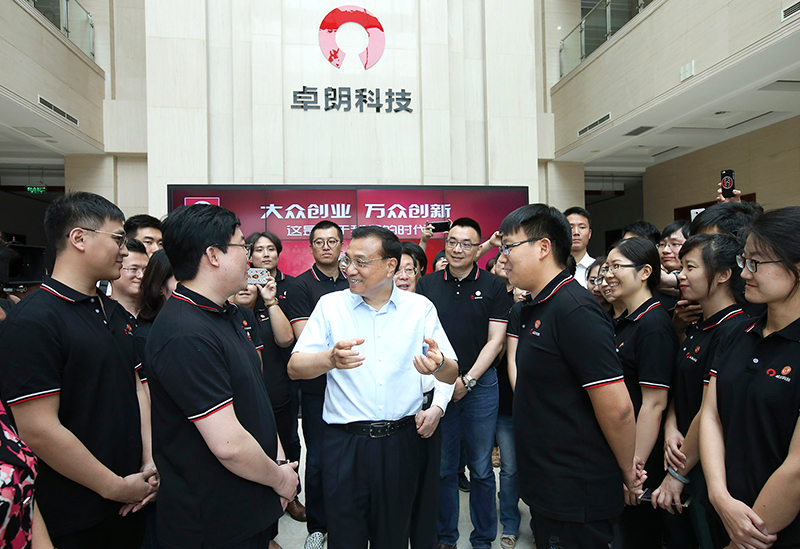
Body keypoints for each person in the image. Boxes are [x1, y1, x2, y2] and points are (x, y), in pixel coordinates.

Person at [0, 192, 157, 548]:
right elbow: (38, 429)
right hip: (76, 514)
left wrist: (149, 463)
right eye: (117, 239)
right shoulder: (34, 321)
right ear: (79, 238)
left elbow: (136, 387)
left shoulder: (113, 312)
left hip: (133, 498)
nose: (124, 251)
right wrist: (115, 487)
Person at [288, 225, 458, 549]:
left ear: (390, 265)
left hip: (400, 443)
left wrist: (438, 365)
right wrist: (329, 359)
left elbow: (451, 373)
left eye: (361, 262)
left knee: (393, 537)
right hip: (345, 444)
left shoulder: (419, 308)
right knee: (345, 538)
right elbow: (295, 367)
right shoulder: (330, 306)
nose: (350, 270)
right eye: (348, 260)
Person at [145, 204, 298, 549]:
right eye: (243, 246)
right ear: (213, 255)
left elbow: (255, 400)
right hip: (214, 521)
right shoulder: (185, 333)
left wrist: (278, 464)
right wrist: (280, 480)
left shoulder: (227, 314)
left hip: (248, 502)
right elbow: (228, 446)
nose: (250, 257)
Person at [497, 204, 642, 548]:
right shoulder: (535, 306)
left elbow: (617, 407)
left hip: (576, 491)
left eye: (509, 247)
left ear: (543, 247)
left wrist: (627, 470)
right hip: (547, 484)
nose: (503, 258)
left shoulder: (575, 310)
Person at [700, 207, 800, 548]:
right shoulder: (736, 333)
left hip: (770, 531)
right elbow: (711, 415)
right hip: (724, 514)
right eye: (744, 260)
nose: (744, 273)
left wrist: (742, 539)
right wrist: (719, 496)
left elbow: (796, 469)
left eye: (756, 263)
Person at [650, 234, 749, 549]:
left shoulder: (736, 330)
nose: (680, 275)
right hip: (681, 453)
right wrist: (670, 426)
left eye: (690, 267)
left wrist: (677, 475)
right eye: (681, 267)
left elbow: (711, 409)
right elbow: (681, 386)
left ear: (722, 275)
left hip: (704, 464)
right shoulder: (697, 326)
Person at [416, 217, 510, 549]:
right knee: (444, 467)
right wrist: (447, 383)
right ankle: (446, 537)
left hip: (480, 385)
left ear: (477, 247)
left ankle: (483, 538)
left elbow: (496, 341)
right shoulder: (427, 285)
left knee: (482, 467)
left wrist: (467, 380)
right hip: (439, 385)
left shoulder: (494, 285)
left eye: (466, 244)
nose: (458, 249)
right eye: (452, 242)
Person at [600, 237, 678, 548]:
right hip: (620, 449)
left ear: (645, 272)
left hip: (639, 458)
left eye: (616, 266)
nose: (608, 274)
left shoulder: (653, 325)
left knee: (638, 536)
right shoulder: (624, 320)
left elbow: (654, 404)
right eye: (607, 267)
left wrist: (634, 467)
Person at [283, 220, 349, 549]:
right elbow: (304, 340)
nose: (326, 246)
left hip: (353, 385)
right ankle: (318, 527)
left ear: (341, 246)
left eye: (332, 241)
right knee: (320, 460)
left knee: (351, 459)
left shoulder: (354, 282)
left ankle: (347, 522)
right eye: (319, 241)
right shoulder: (301, 286)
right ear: (310, 247)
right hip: (317, 389)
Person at [395, 243, 457, 549]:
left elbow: (446, 365)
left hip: (426, 416)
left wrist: (437, 409)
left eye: (410, 269)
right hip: (388, 423)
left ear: (420, 272)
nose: (403, 276)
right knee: (392, 499)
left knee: (427, 496)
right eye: (397, 269)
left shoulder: (425, 310)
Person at [246, 230, 305, 522]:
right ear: (249, 255)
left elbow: (288, 338)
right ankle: (259, 497)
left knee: (288, 437)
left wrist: (271, 300)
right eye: (259, 249)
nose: (265, 254)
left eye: (271, 249)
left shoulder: (290, 286)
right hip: (247, 377)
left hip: (280, 374)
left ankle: (292, 494)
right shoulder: (239, 283)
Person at [110, 239, 149, 317]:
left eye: (145, 270)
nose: (141, 275)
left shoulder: (155, 311)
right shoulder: (103, 310)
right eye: (134, 269)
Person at [564, 206, 594, 288]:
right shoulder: (554, 268)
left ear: (590, 233)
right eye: (571, 227)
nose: (576, 232)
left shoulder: (596, 268)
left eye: (582, 227)